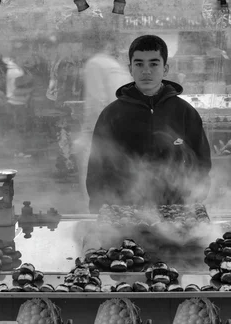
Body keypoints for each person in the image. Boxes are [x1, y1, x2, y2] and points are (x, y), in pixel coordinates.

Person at [86, 35, 212, 213]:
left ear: (165, 68)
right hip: (124, 212)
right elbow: (97, 167)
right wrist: (98, 208)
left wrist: (195, 200)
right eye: (139, 64)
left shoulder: (185, 112)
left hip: (175, 212)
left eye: (153, 64)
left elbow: (202, 162)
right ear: (130, 69)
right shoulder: (111, 114)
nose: (146, 71)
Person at [77, 37, 132, 204]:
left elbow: (96, 101)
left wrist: (91, 133)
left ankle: (96, 215)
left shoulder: (95, 64)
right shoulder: (115, 65)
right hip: (122, 128)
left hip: (103, 129)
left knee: (92, 174)